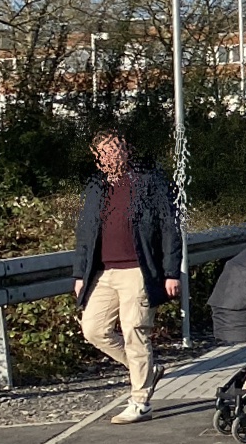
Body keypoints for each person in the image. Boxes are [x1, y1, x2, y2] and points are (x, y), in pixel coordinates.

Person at [71, 129, 182, 424]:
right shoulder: (96, 187)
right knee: (93, 330)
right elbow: (85, 233)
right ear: (96, 159)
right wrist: (80, 273)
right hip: (103, 272)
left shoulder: (148, 181)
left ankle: (140, 400)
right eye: (103, 152)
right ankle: (148, 370)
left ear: (126, 150)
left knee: (135, 331)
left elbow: (170, 229)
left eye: (114, 148)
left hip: (138, 270)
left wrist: (171, 272)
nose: (110, 155)